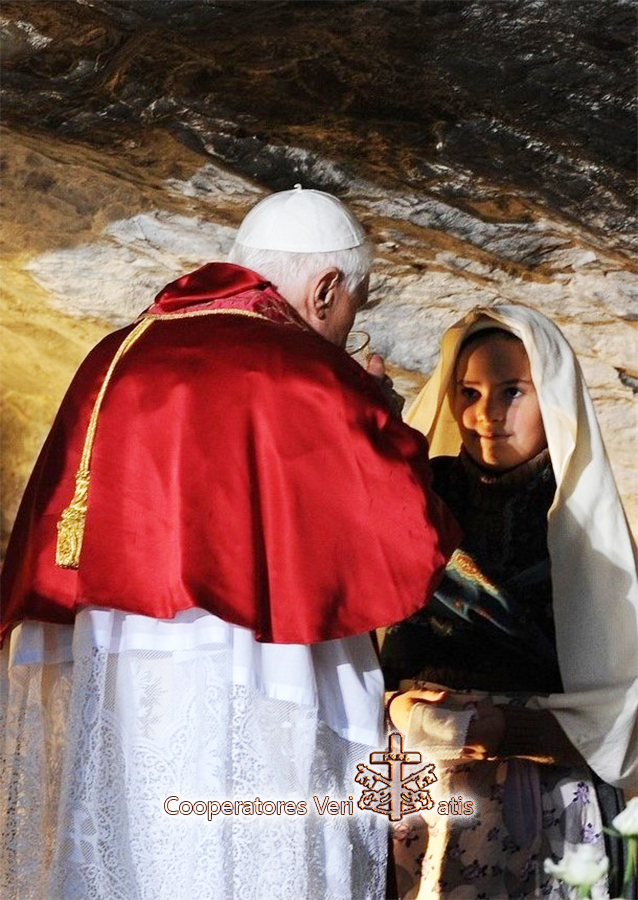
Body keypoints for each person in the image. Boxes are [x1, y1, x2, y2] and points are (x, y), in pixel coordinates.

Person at [0, 186, 459, 900]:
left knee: (135, 844)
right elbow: (405, 530)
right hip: (263, 671)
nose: (347, 332)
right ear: (325, 289)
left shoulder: (117, 353)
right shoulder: (302, 367)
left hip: (126, 668)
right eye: (352, 312)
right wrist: (380, 417)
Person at [381, 304, 638, 899]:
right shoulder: (417, 505)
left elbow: (624, 716)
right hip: (414, 796)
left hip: (545, 806)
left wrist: (515, 731)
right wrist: (401, 712)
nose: (484, 415)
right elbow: (354, 646)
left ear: (554, 397)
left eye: (512, 392)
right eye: (468, 392)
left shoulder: (585, 531)